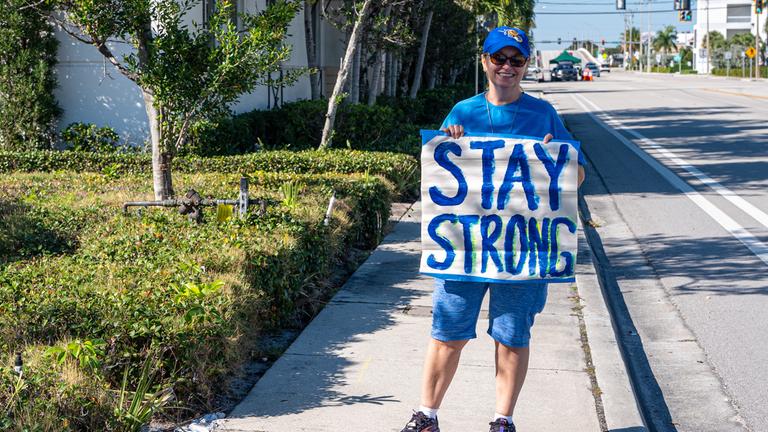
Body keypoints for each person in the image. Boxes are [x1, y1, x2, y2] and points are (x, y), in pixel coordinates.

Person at [400, 26, 586, 432]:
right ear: (484, 62)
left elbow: (579, 176)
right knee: (448, 331)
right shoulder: (463, 112)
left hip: (522, 250)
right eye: (498, 58)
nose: (507, 66)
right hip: (464, 247)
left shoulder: (543, 115)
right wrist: (448, 141)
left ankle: (503, 420)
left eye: (515, 60)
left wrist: (558, 162)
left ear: (525, 64)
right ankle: (426, 416)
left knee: (512, 334)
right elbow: (438, 175)